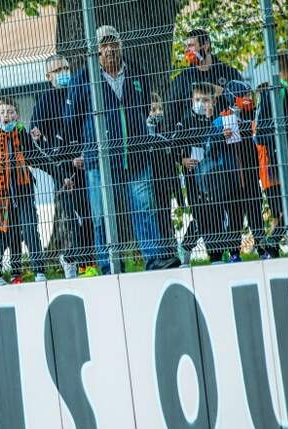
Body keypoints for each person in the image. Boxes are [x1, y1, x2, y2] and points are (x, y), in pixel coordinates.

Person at [64, 25, 180, 273]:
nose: (110, 49)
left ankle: (154, 259)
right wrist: (84, 148)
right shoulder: (82, 79)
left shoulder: (136, 71)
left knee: (145, 209)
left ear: (120, 45)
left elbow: (145, 106)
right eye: (104, 45)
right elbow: (72, 119)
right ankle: (109, 265)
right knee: (102, 216)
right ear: (96, 50)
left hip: (135, 155)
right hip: (100, 161)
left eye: (113, 43)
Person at [0, 96, 53, 286]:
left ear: (17, 115)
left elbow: (39, 157)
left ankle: (39, 272)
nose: (6, 115)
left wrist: (59, 174)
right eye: (2, 112)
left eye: (10, 112)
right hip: (0, 196)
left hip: (23, 193)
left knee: (30, 230)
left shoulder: (22, 136)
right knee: (1, 235)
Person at [30, 54, 94, 279]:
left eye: (65, 68)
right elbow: (36, 141)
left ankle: (86, 261)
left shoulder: (79, 90)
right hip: (64, 170)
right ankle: (75, 259)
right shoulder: (44, 101)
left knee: (93, 214)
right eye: (57, 71)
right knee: (76, 217)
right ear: (48, 76)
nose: (63, 73)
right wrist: (61, 170)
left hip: (88, 162)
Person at [254, 51, 288, 256]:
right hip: (287, 160)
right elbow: (262, 133)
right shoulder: (275, 92)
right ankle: (272, 242)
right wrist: (284, 157)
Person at [174, 82, 232, 263]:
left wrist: (217, 129)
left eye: (205, 100)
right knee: (201, 214)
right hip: (193, 177)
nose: (201, 104)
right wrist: (183, 160)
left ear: (213, 102)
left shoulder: (218, 120)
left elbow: (220, 143)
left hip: (215, 176)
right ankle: (186, 246)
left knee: (216, 213)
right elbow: (175, 145)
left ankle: (216, 255)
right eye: (197, 100)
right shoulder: (185, 120)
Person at [213, 80, 266, 260]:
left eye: (248, 95)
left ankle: (263, 248)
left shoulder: (253, 115)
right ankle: (234, 252)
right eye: (244, 95)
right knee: (234, 216)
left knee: (255, 213)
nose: (248, 98)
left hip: (251, 175)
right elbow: (210, 146)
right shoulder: (221, 119)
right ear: (233, 97)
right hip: (232, 178)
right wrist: (221, 136)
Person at [166, 29, 243, 132]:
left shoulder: (228, 72)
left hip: (224, 133)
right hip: (193, 135)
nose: (187, 50)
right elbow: (170, 113)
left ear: (206, 45)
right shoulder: (182, 79)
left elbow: (243, 101)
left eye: (191, 45)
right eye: (185, 46)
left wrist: (223, 91)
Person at [146, 92, 182, 258]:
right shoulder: (146, 134)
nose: (158, 112)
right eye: (154, 109)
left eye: (160, 108)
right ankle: (160, 252)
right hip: (151, 181)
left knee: (166, 215)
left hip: (165, 182)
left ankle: (171, 251)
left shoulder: (166, 131)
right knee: (155, 217)